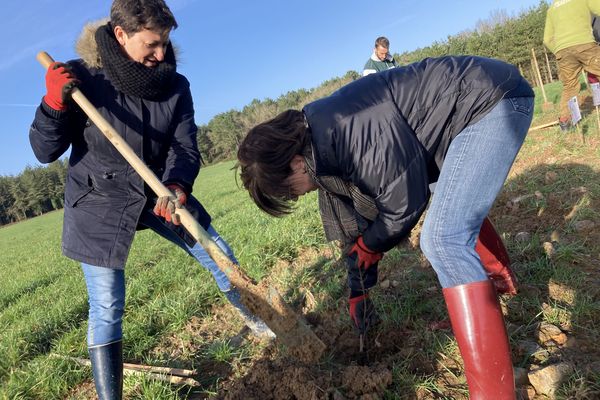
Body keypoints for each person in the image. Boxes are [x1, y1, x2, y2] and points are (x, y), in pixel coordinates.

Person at [237, 55, 534, 399]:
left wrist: (372, 245)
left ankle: (494, 394)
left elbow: (403, 204)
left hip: (490, 101)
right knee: (451, 207)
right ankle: (496, 279)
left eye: (288, 190)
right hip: (461, 118)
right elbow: (354, 230)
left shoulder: (351, 128)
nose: (296, 196)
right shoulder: (318, 145)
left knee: (442, 240)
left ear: (295, 164)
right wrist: (358, 288)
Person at [29, 0, 272, 398]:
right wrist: (53, 104)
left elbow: (185, 148)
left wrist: (177, 186)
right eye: (152, 44)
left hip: (160, 192)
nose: (161, 54)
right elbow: (43, 150)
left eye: (166, 43)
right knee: (106, 304)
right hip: (99, 200)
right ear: (121, 35)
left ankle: (263, 325)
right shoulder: (81, 78)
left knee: (219, 254)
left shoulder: (174, 86)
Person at [543, 0, 600, 131]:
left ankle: (564, 121)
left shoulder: (552, 8)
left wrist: (558, 50)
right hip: (584, 44)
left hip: (563, 51)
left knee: (570, 87)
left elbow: (546, 39)